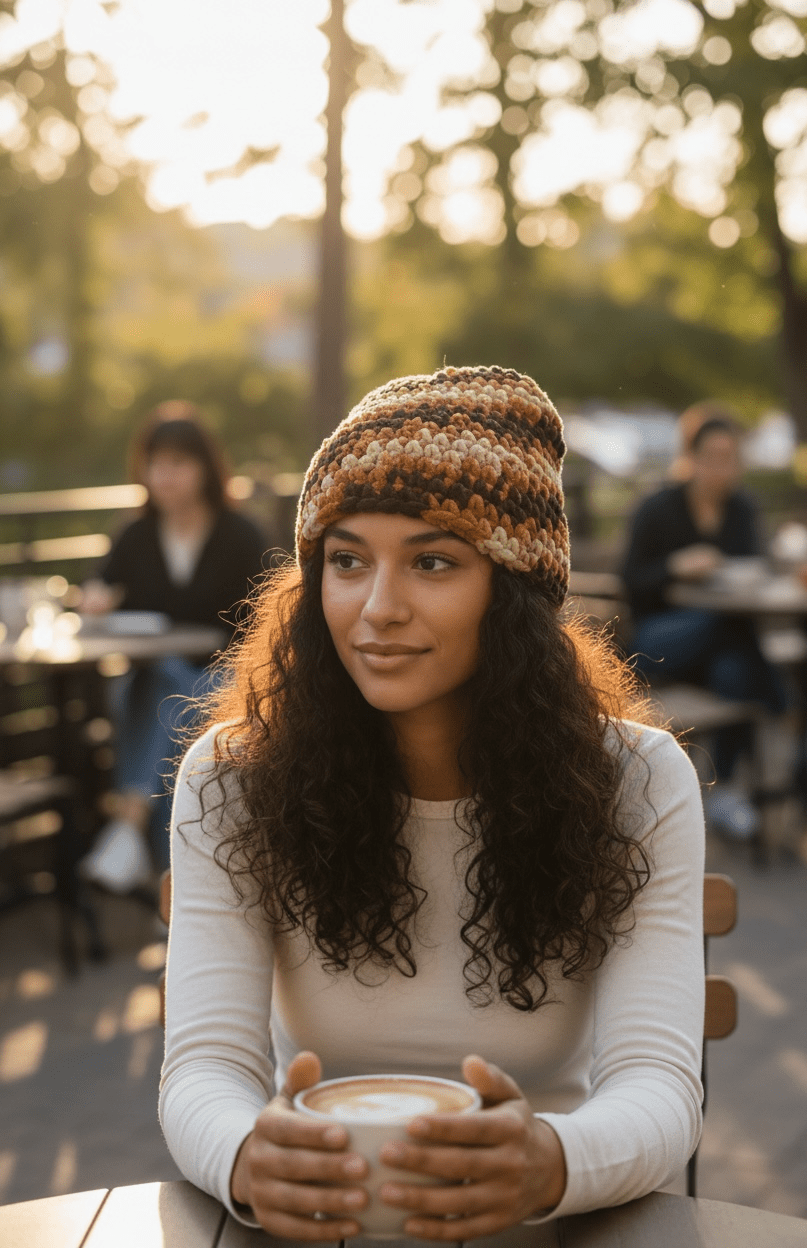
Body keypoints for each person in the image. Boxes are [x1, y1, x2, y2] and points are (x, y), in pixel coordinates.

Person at [161, 366, 705, 1242]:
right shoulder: (233, 777)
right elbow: (205, 1069)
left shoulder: (637, 783)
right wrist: (245, 1159)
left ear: (514, 590)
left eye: (433, 561)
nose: (377, 609)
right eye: (346, 561)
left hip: (546, 1221)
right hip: (319, 1222)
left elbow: (658, 1084)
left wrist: (550, 1161)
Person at [79, 401, 266, 889]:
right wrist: (96, 600)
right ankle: (177, 891)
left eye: (178, 463)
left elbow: (270, 615)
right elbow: (98, 587)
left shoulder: (239, 535)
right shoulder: (136, 536)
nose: (165, 475)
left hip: (227, 678)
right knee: (159, 688)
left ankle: (129, 824)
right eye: (156, 464)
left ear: (206, 469)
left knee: (163, 691)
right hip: (158, 683)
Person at [621, 410, 786, 840]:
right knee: (724, 626)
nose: (722, 466)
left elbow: (756, 568)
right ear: (690, 457)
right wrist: (676, 566)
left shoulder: (742, 509)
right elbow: (632, 580)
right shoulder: (659, 509)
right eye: (712, 455)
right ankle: (789, 711)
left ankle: (725, 790)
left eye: (730, 456)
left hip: (721, 645)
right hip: (660, 637)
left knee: (733, 671)